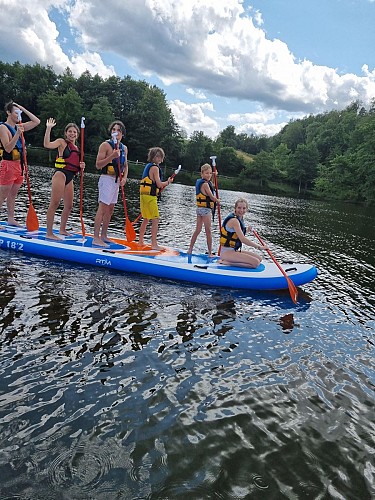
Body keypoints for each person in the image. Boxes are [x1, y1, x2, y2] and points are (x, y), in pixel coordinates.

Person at [43, 118, 85, 239]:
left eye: (74, 132)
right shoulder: (62, 142)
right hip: (60, 174)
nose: (72, 134)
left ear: (77, 134)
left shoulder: (78, 149)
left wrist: (82, 166)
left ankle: (62, 229)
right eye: (70, 131)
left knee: (69, 206)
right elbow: (47, 144)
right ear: (66, 133)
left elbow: (77, 165)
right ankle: (49, 233)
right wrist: (48, 128)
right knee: (55, 203)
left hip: (70, 177)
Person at [0, 101, 40, 227]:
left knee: (13, 194)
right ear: (8, 113)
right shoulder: (3, 127)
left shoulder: (20, 125)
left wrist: (23, 108)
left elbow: (36, 121)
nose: (18, 115)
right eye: (16, 112)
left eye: (19, 112)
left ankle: (11, 218)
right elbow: (7, 148)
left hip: (19, 166)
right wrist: (17, 134)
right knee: (3, 194)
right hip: (8, 164)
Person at [93, 121, 128, 247]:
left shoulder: (124, 148)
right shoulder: (105, 145)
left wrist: (124, 178)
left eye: (118, 130)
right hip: (106, 179)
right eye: (114, 129)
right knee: (102, 208)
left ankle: (104, 235)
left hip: (117, 181)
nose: (116, 132)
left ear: (122, 134)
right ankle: (95, 238)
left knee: (110, 210)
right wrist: (111, 156)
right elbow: (98, 165)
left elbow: (125, 165)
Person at [138, 147, 174, 250]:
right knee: (155, 219)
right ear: (156, 157)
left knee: (146, 219)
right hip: (150, 198)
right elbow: (159, 184)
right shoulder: (155, 168)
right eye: (160, 157)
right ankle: (154, 244)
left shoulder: (148, 166)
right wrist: (168, 182)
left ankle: (140, 241)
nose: (161, 160)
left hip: (144, 196)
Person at [219, 198, 268, 268]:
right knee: (255, 263)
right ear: (235, 208)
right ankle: (228, 263)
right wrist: (259, 247)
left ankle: (231, 261)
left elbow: (237, 234)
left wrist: (247, 230)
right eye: (239, 208)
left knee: (259, 259)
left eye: (244, 208)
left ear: (246, 209)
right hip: (226, 253)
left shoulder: (240, 218)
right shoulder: (234, 220)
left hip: (234, 250)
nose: (241, 210)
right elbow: (243, 239)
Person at [187, 163, 219, 257]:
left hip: (199, 210)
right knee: (208, 231)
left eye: (210, 173)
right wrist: (218, 200)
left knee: (198, 230)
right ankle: (209, 253)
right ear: (202, 174)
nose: (208, 175)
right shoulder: (205, 185)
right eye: (206, 173)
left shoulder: (201, 182)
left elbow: (212, 185)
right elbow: (211, 196)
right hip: (205, 210)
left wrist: (214, 176)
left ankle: (190, 249)